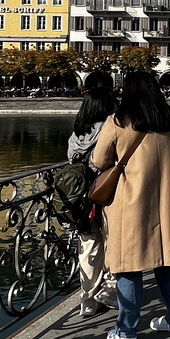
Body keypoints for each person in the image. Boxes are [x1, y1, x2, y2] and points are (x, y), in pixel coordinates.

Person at [91, 70, 170, 339]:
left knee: (129, 266)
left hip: (132, 203)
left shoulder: (118, 121)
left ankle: (126, 331)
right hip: (168, 201)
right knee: (168, 260)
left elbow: (99, 160)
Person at [67, 79, 118, 317]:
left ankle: (87, 301)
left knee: (88, 247)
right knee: (112, 241)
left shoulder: (77, 131)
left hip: (80, 196)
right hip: (106, 193)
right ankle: (109, 290)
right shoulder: (109, 127)